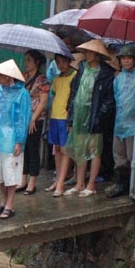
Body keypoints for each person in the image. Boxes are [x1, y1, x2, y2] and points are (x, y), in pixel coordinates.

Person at [62, 39, 116, 197]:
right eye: (87, 52)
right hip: (79, 115)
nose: (88, 55)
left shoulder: (106, 73)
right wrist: (71, 116)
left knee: (94, 151)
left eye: (92, 52)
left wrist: (100, 116)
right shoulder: (82, 69)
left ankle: (91, 185)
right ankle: (79, 183)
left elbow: (108, 99)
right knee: (79, 149)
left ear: (98, 55)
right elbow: (73, 93)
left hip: (94, 116)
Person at [0, 60, 31, 219]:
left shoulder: (22, 94)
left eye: (2, 75)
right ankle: (3, 202)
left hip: (11, 139)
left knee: (11, 173)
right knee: (0, 173)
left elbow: (23, 118)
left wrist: (19, 141)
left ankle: (10, 204)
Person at [107, 45, 135, 198]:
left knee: (132, 157)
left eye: (129, 58)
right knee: (119, 157)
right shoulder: (118, 78)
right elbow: (116, 98)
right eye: (123, 58)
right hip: (119, 123)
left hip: (133, 124)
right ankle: (121, 186)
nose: (126, 61)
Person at [17, 50, 50, 195]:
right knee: (23, 148)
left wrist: (33, 119)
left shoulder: (42, 79)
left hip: (35, 118)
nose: (26, 63)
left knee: (32, 148)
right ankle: (23, 179)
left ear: (36, 62)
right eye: (25, 60)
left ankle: (32, 181)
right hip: (22, 117)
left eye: (29, 60)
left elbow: (43, 101)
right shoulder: (23, 77)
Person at [47, 53, 79, 197]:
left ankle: (61, 183)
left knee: (66, 150)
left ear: (69, 61)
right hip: (55, 116)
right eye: (58, 62)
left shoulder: (75, 76)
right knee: (57, 148)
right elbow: (54, 95)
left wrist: (71, 119)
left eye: (63, 62)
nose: (61, 65)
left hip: (65, 117)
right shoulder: (57, 78)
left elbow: (74, 99)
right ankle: (58, 179)